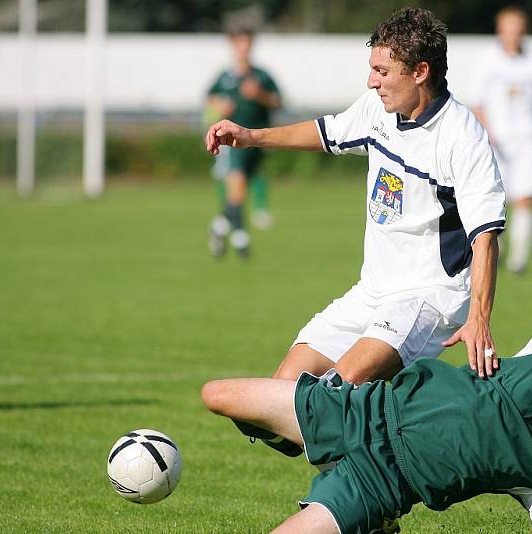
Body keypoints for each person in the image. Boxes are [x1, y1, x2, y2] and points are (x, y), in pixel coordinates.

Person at [201, 245, 532, 534]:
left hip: (384, 484)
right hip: (369, 408)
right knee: (216, 395)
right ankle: (324, 452)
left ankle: (365, 513)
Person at [206, 8, 507, 454]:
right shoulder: (377, 110)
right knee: (282, 394)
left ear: (420, 72)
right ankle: (366, 467)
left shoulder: (462, 137)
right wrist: (248, 136)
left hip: (429, 297)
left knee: (329, 396)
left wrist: (480, 317)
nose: (372, 82)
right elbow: (325, 132)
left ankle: (364, 504)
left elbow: (486, 236)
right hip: (373, 291)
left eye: (382, 71)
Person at [470, 6, 532, 274]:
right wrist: (486, 133)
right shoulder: (488, 61)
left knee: (526, 197)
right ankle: (496, 247)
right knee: (496, 198)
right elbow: (477, 104)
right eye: (508, 30)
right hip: (497, 142)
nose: (513, 36)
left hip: (528, 140)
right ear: (500, 31)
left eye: (518, 30)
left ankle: (519, 259)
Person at [206, 23, 281, 258]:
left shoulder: (261, 76)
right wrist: (219, 106)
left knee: (238, 193)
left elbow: (278, 101)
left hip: (257, 141)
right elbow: (209, 100)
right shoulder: (225, 77)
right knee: (236, 187)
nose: (243, 48)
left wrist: (260, 95)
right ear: (233, 45)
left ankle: (219, 227)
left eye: (247, 43)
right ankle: (241, 239)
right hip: (231, 143)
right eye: (239, 43)